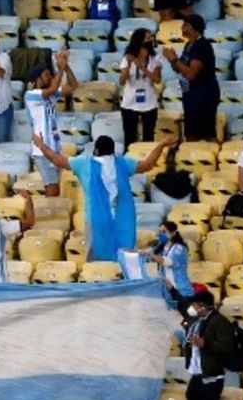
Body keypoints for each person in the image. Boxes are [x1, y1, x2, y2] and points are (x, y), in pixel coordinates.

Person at [35, 134, 175, 260]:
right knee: (124, 259)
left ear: (95, 150)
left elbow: (57, 160)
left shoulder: (84, 163)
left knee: (98, 261)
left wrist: (41, 145)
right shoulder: (123, 163)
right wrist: (161, 145)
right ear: (113, 151)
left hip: (96, 220)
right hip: (124, 219)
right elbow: (148, 164)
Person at [27, 52, 79, 197]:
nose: (50, 77)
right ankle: (48, 215)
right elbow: (52, 89)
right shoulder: (31, 95)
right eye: (46, 75)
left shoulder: (50, 94)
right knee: (52, 187)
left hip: (54, 148)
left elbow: (74, 85)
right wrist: (60, 69)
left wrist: (66, 68)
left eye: (50, 74)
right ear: (38, 79)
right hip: (42, 149)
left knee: (55, 188)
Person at [162, 15, 220, 141]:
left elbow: (191, 74)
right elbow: (180, 69)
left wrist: (175, 59)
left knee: (207, 133)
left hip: (204, 95)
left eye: (186, 25)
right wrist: (172, 60)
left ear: (195, 28)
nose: (183, 28)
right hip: (190, 94)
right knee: (190, 133)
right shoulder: (189, 44)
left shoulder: (202, 45)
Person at [183, 290, 233, 400]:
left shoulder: (219, 321)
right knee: (191, 396)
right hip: (198, 374)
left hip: (211, 377)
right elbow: (181, 305)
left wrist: (205, 344)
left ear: (202, 306)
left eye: (194, 305)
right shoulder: (198, 321)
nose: (191, 308)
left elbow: (227, 347)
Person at [120, 27, 162, 144]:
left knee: (148, 137)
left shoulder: (155, 59)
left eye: (151, 38)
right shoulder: (127, 58)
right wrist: (128, 65)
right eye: (147, 38)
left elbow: (157, 79)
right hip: (130, 102)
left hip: (149, 102)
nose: (150, 41)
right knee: (130, 137)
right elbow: (122, 81)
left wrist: (142, 68)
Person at [147, 221, 193, 309]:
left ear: (173, 233)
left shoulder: (180, 248)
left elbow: (168, 262)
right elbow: (147, 255)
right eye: (159, 232)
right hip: (167, 291)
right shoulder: (161, 247)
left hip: (181, 292)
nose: (161, 234)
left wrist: (150, 255)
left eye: (164, 232)